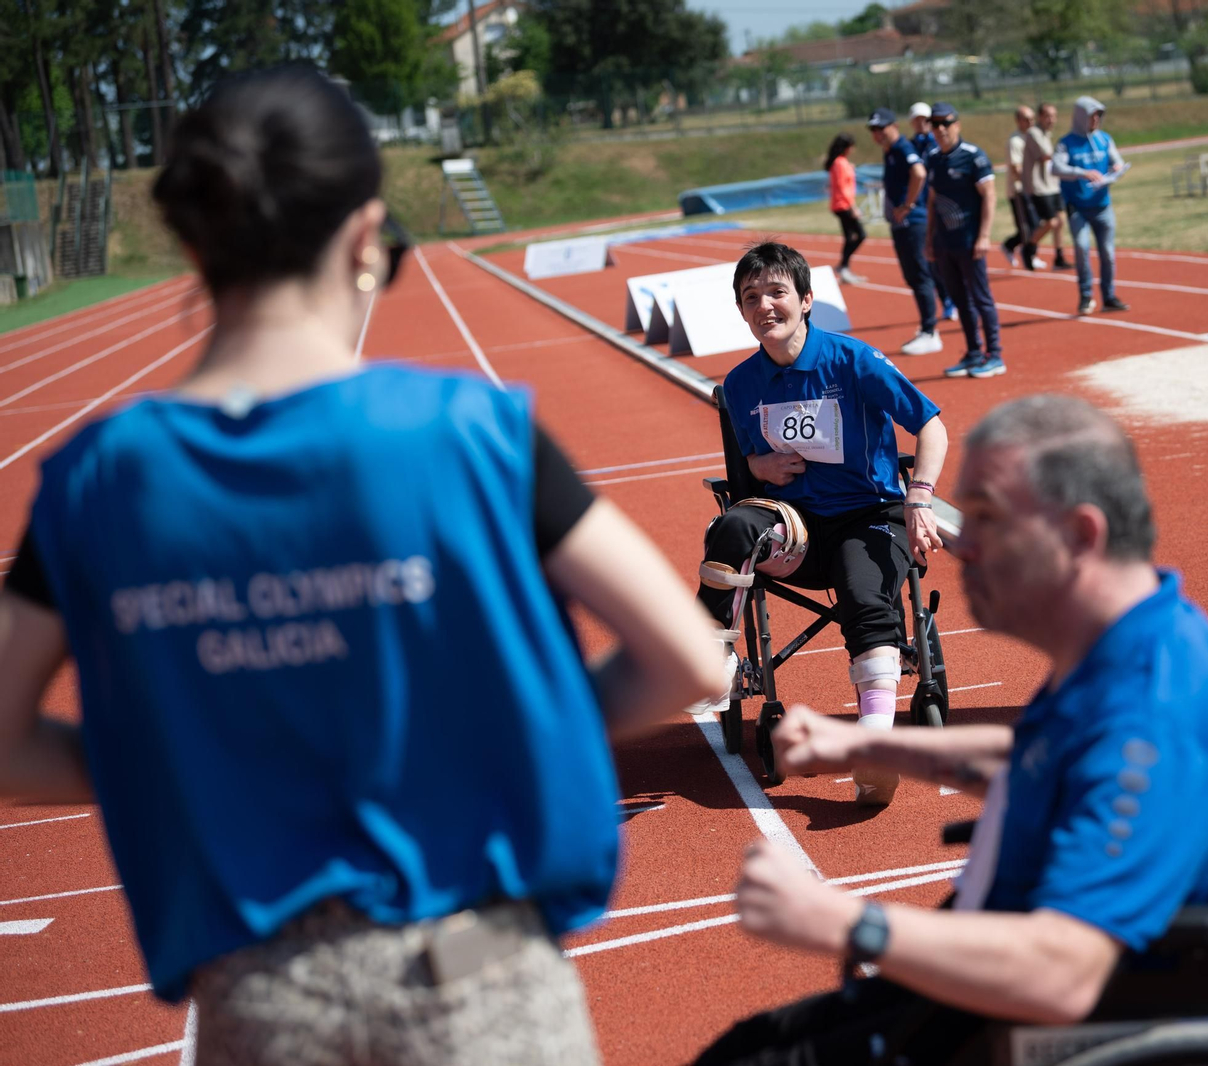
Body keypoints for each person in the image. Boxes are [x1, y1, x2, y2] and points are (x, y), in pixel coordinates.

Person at [0, 67, 728, 1066]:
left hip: (261, 1000)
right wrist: (492, 740)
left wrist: (180, 762)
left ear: (190, 240)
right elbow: (690, 659)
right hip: (480, 971)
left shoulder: (94, 483)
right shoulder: (472, 434)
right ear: (363, 236)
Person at [692, 394, 1208, 1066]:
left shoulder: (1151, 699)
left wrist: (847, 921)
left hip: (1033, 1025)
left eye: (986, 520)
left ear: (1081, 536)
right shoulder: (1128, 642)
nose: (960, 544)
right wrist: (870, 744)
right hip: (976, 996)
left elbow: (1066, 972)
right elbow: (1043, 765)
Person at [697, 241, 949, 806]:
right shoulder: (739, 386)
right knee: (732, 527)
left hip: (870, 517)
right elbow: (745, 475)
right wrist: (757, 465)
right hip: (799, 532)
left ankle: (875, 748)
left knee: (865, 598)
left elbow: (930, 426)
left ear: (806, 300)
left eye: (777, 292)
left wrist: (920, 498)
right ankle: (710, 658)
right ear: (741, 311)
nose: (765, 305)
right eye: (751, 297)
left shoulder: (853, 360)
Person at [923, 103, 1004, 381]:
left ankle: (994, 355)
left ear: (957, 124)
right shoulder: (932, 158)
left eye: (946, 122)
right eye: (935, 124)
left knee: (981, 297)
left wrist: (983, 235)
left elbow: (990, 196)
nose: (941, 129)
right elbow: (932, 202)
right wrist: (930, 239)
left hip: (971, 242)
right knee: (959, 299)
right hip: (945, 243)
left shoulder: (973, 157)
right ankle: (972, 352)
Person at [868, 108, 943, 357]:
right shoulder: (890, 150)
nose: (877, 134)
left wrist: (908, 205)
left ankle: (931, 332)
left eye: (881, 128)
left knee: (920, 275)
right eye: (874, 130)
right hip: (902, 224)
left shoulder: (902, 147)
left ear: (894, 126)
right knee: (913, 276)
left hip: (913, 222)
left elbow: (919, 173)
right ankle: (927, 328)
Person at [1053, 96, 1130, 317]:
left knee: (1107, 252)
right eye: (1091, 115)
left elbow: (1117, 161)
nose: (1096, 119)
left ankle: (1109, 296)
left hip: (1102, 205)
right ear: (1080, 116)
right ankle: (1086, 296)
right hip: (1078, 207)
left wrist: (1117, 167)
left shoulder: (1104, 139)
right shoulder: (1066, 143)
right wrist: (1081, 172)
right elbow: (1056, 167)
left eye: (1098, 115)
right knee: (1082, 248)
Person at [909, 100, 960, 322]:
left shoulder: (938, 143)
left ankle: (954, 298)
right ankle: (946, 299)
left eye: (925, 120)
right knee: (929, 260)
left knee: (945, 258)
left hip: (941, 206)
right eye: (917, 120)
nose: (922, 124)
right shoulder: (910, 145)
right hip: (921, 210)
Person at [1021, 102, 1069, 271]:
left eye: (1054, 116)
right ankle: (1029, 247)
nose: (1051, 120)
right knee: (1051, 222)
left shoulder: (1047, 134)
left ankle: (1059, 257)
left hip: (1052, 185)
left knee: (1060, 221)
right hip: (1039, 186)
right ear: (1040, 117)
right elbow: (1045, 156)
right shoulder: (1033, 133)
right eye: (1047, 116)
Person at [826, 132, 867, 285]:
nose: (852, 150)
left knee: (850, 237)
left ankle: (844, 269)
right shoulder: (839, 163)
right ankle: (843, 266)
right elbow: (843, 187)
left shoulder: (841, 162)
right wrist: (853, 207)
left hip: (843, 204)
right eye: (851, 147)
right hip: (843, 205)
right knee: (860, 234)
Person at [1001, 105, 1039, 267]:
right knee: (1026, 226)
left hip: (1034, 189)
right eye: (1026, 119)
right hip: (1019, 191)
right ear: (1018, 121)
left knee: (1037, 224)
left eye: (1032, 119)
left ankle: (1010, 245)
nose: (1030, 122)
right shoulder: (1015, 141)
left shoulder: (1033, 137)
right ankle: (1029, 255)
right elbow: (1017, 170)